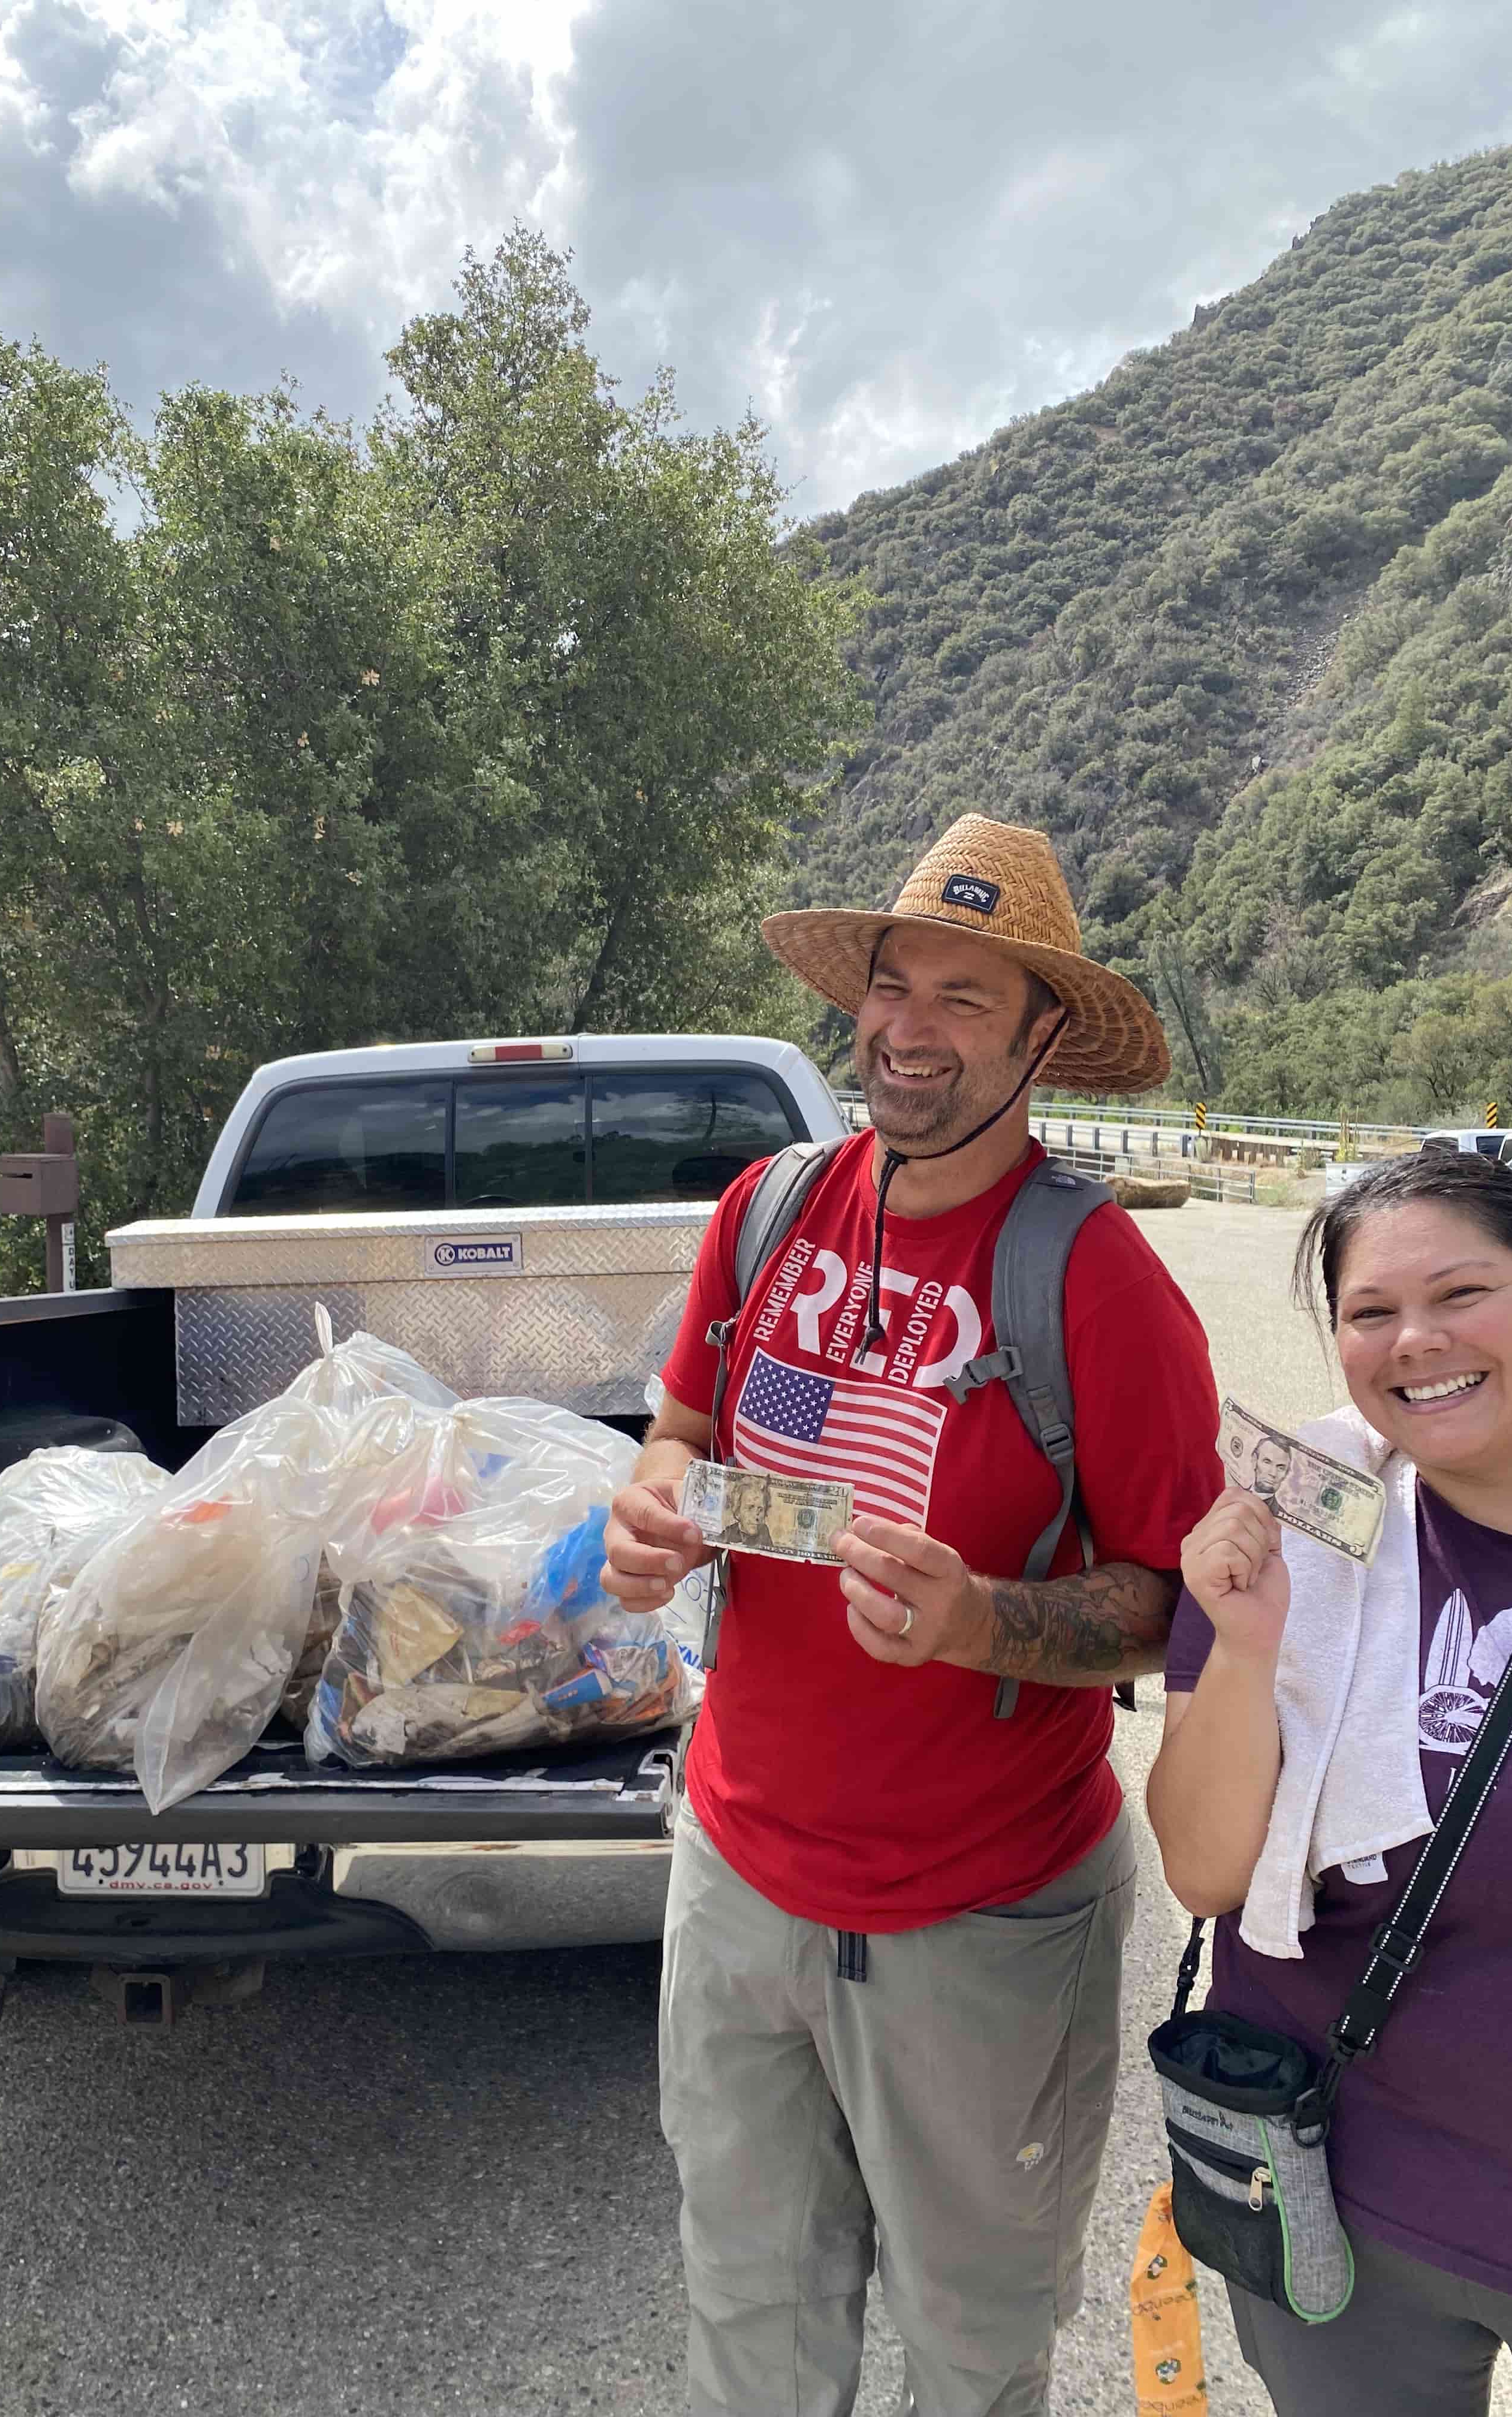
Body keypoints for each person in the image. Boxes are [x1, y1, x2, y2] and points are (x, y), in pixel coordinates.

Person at [602, 815, 1223, 2416]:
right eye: (894, 984)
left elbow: (1174, 1608)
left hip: (981, 1914)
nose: (910, 1027)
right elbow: (684, 1428)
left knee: (972, 2345)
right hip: (738, 1874)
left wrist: (984, 1625)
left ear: (1041, 1038)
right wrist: (654, 1508)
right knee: (750, 2314)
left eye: (965, 995)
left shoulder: (1100, 1279)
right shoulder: (768, 1207)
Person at [1147, 1150, 1512, 2417]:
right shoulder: (1291, 1533)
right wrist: (1247, 1645)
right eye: (1371, 1312)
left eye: (1462, 1293)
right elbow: (1203, 1870)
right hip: (1349, 2205)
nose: (1416, 1341)